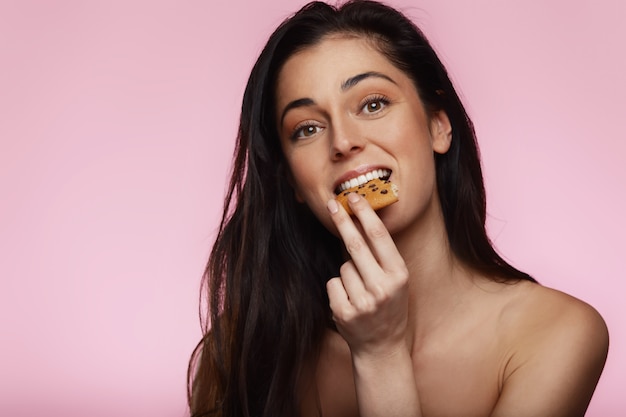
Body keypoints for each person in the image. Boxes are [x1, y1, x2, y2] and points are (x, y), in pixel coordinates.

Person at [187, 1, 609, 416]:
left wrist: (380, 355)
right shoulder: (240, 347)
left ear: (438, 126)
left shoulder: (557, 334)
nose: (342, 142)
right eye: (307, 128)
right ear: (293, 182)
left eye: (373, 104)